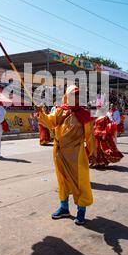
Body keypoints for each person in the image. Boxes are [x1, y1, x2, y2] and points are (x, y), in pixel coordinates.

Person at [38, 85, 96, 225]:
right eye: (73, 95)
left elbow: (90, 136)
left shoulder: (84, 114)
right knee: (62, 180)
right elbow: (50, 123)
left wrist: (92, 152)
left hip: (76, 154)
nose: (75, 98)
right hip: (59, 151)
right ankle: (64, 208)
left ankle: (81, 210)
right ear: (67, 96)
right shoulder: (60, 111)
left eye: (77, 95)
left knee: (80, 182)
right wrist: (41, 113)